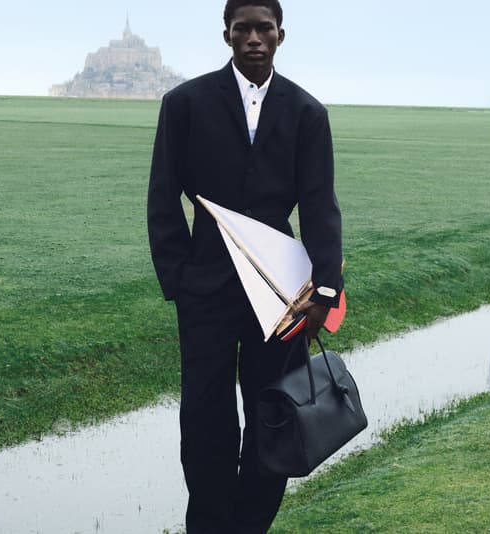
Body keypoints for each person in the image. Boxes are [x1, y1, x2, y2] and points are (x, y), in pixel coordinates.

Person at [147, 1, 343, 531]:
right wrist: (179, 280)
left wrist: (325, 292)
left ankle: (251, 524)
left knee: (272, 412)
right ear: (227, 36)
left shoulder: (308, 113)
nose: (254, 37)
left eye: (264, 28)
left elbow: (320, 206)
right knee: (205, 415)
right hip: (204, 287)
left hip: (283, 295)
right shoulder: (184, 104)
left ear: (281, 35)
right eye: (243, 29)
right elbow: (163, 196)